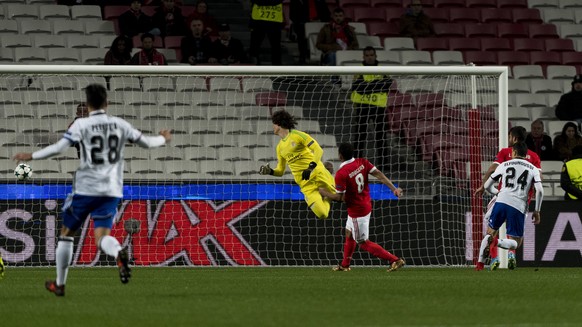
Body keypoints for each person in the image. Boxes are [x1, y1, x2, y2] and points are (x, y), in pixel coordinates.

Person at [12, 84, 172, 296]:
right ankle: (118, 252)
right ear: (107, 102)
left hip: (86, 188)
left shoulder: (81, 124)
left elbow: (59, 148)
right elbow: (148, 143)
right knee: (102, 236)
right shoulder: (120, 124)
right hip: (112, 190)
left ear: (87, 105)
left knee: (66, 234)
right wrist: (163, 138)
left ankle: (60, 285)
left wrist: (32, 156)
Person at [318, 143, 405, 272]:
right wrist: (394, 189)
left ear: (340, 155)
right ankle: (345, 265)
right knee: (349, 233)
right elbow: (379, 174)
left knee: (363, 242)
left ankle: (395, 260)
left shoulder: (341, 173)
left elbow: (340, 198)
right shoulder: (362, 162)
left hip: (357, 210)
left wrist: (323, 192)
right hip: (365, 204)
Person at [474, 126, 541, 270]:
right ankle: (511, 254)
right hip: (522, 200)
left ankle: (492, 259)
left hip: (501, 196)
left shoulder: (506, 153)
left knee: (491, 230)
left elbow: (492, 170)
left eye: (510, 136)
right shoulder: (534, 157)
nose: (509, 139)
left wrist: (483, 186)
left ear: (514, 138)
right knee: (516, 238)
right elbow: (539, 180)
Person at [258, 110, 335, 219]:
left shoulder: (298, 135)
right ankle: (328, 197)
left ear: (279, 124)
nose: (272, 126)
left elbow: (318, 150)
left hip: (318, 175)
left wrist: (310, 169)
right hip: (306, 185)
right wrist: (269, 171)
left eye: (273, 123)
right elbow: (280, 171)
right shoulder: (279, 148)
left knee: (341, 198)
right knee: (323, 214)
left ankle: (328, 177)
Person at [350, 47, 392, 168]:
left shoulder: (382, 69)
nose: (369, 57)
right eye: (367, 55)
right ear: (363, 57)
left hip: (379, 107)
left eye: (371, 55)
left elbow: (387, 85)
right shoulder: (359, 70)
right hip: (362, 106)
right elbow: (357, 87)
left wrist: (368, 86)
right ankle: (356, 163)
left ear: (375, 56)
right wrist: (376, 85)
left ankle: (384, 164)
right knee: (359, 136)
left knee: (381, 136)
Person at [289, 0, 330, 64]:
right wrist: (306, 21)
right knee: (301, 28)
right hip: (303, 23)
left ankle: (322, 56)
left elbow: (327, 14)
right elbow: (292, 16)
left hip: (319, 23)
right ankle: (303, 56)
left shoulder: (320, 1)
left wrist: (320, 20)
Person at [249, 0, 284, 65]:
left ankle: (277, 71)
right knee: (255, 48)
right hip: (266, 20)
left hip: (263, 20)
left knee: (275, 49)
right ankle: (254, 69)